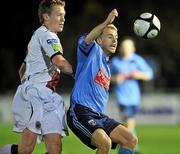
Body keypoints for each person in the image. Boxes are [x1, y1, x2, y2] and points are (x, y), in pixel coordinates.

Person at [0, 0, 73, 154]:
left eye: (64, 15)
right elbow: (60, 62)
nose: (63, 19)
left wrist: (26, 85)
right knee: (26, 149)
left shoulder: (38, 35)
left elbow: (22, 69)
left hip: (47, 95)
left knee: (55, 147)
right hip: (37, 94)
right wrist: (78, 74)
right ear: (46, 17)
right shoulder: (47, 35)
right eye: (59, 15)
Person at [67, 9, 137, 154]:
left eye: (116, 38)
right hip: (80, 111)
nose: (115, 40)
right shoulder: (93, 51)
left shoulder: (107, 67)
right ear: (99, 40)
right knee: (104, 143)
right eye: (110, 37)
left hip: (98, 115)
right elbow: (87, 40)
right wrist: (106, 23)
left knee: (130, 139)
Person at [110, 37, 153, 154]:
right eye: (123, 46)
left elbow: (149, 74)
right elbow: (106, 77)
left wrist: (139, 75)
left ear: (132, 49)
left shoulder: (137, 60)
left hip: (134, 97)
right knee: (129, 122)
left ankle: (125, 143)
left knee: (128, 123)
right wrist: (115, 79)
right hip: (122, 97)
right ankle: (130, 148)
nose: (125, 49)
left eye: (128, 47)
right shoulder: (115, 62)